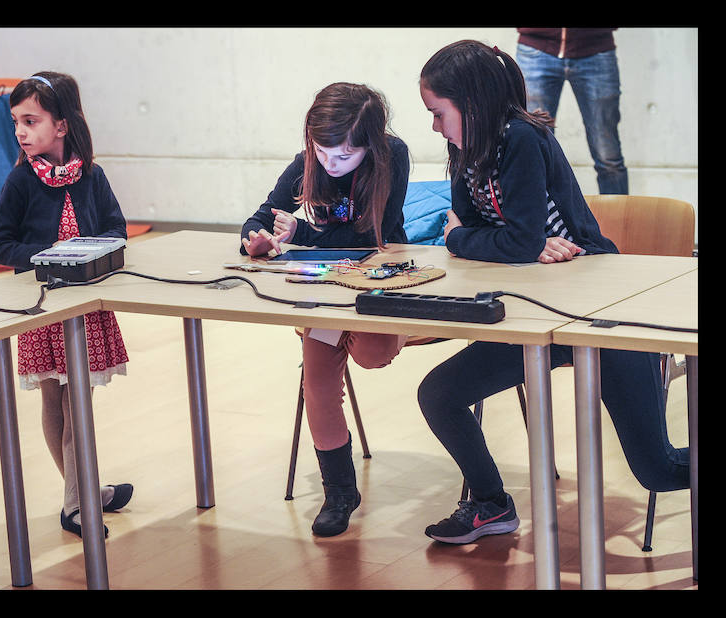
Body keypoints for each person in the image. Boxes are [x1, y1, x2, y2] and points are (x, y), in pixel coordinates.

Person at [415, 41, 688, 544]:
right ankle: (491, 505)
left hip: (600, 313)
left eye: (437, 113)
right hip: (534, 314)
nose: (434, 126)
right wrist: (505, 243)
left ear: (470, 106)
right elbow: (504, 238)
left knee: (659, 469)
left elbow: (491, 237)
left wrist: (477, 240)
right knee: (439, 394)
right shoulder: (465, 148)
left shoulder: (520, 137)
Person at [240, 82, 410, 537]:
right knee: (317, 384)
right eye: (322, 153)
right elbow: (261, 215)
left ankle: (392, 333)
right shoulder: (309, 161)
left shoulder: (393, 157)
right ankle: (339, 491)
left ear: (369, 145)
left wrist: (302, 235)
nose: (329, 165)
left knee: (372, 353)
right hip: (326, 293)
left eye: (342, 158)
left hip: (378, 288)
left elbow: (373, 240)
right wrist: (256, 240)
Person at [0, 72, 133, 539]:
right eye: (16, 123)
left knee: (79, 405)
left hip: (87, 307)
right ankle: (79, 502)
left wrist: (89, 251)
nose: (21, 132)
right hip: (43, 307)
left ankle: (83, 494)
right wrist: (43, 256)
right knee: (57, 398)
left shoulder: (92, 175)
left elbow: (116, 229)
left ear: (63, 126)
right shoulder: (20, 181)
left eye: (31, 121)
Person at [516, 28, 628, 195]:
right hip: (536, 47)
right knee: (534, 152)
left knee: (608, 157)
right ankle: (540, 220)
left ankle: (618, 219)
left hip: (597, 48)